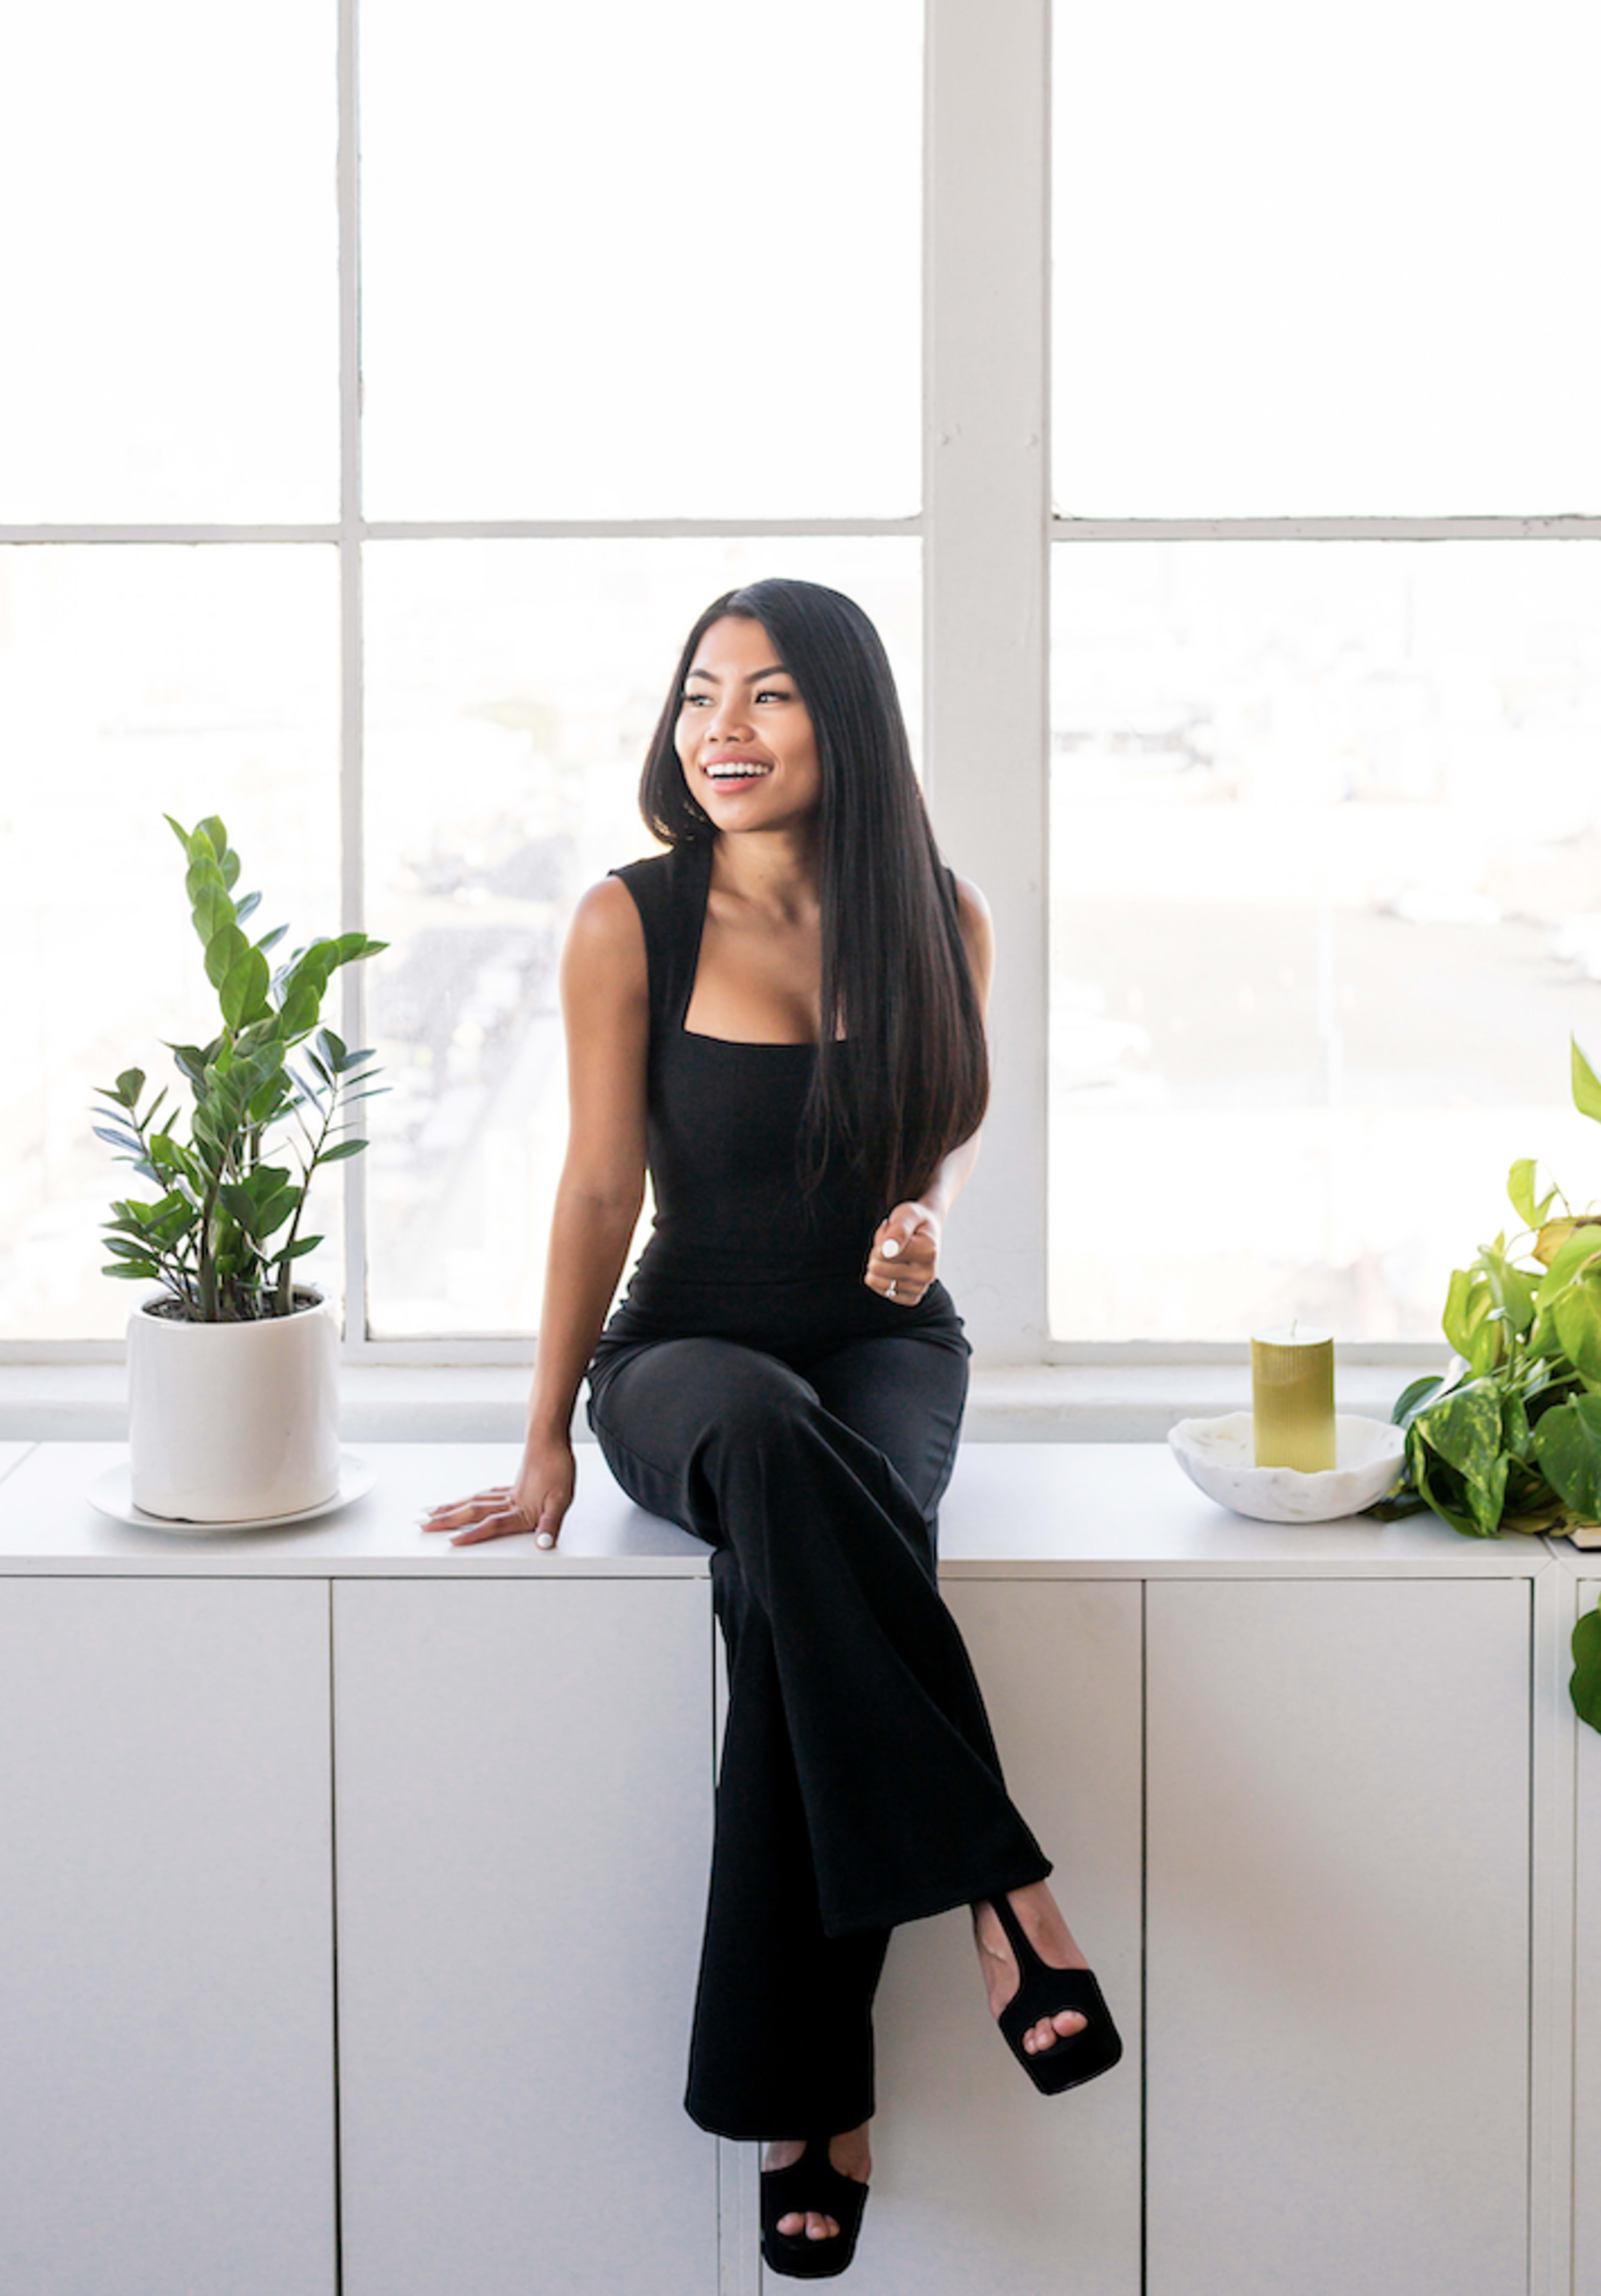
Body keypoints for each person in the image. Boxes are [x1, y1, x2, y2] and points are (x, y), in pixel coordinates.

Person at [422, 579, 1121, 2278]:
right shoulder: (628, 920)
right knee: (764, 1431)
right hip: (690, 1356)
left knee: (785, 1590)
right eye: (699, 695)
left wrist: (918, 1221)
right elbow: (598, 1184)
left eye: (772, 695)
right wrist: (546, 1443)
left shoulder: (937, 915)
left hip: (885, 1349)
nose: (722, 728)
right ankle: (1001, 1886)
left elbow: (937, 1137)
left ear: (848, 720)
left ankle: (809, 2106)